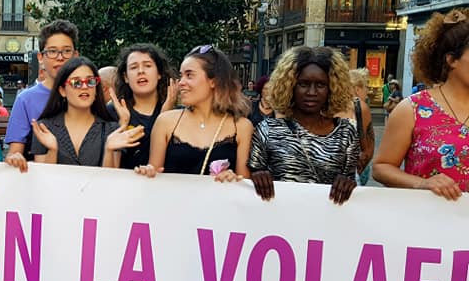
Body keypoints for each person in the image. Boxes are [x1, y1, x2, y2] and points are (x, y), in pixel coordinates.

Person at [373, 8, 469, 199]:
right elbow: (381, 167)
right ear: (452, 60)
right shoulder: (413, 109)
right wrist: (422, 183)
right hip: (427, 215)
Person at [248, 47, 360, 204]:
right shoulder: (267, 130)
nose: (312, 92)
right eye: (303, 84)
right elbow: (249, 181)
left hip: (326, 216)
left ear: (332, 88)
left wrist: (348, 184)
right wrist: (257, 177)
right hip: (278, 215)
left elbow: (350, 182)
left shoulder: (346, 133)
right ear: (290, 86)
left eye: (320, 85)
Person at [140, 45, 253, 180]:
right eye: (181, 76)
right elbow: (153, 176)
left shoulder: (242, 127)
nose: (181, 82)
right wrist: (147, 172)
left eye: (189, 75)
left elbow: (244, 183)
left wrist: (232, 179)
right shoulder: (165, 122)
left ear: (214, 81)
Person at [25, 57, 140, 167]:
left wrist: (108, 150)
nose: (85, 87)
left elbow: (111, 178)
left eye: (90, 81)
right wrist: (52, 150)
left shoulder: (110, 129)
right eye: (76, 82)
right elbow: (43, 176)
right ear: (62, 90)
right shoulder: (44, 128)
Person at [4, 20, 80, 172]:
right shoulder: (26, 99)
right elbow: (15, 151)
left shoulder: (87, 94)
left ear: (76, 55)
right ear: (40, 57)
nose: (60, 57)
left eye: (66, 51)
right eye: (52, 51)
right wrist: (15, 158)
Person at [108, 43, 176, 169]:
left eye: (147, 66)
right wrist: (122, 124)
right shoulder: (113, 111)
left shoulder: (176, 113)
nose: (141, 71)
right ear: (126, 77)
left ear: (159, 73)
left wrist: (165, 117)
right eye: (134, 67)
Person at [343, 68, 375, 185]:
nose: (367, 91)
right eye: (366, 87)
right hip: (354, 172)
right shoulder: (360, 107)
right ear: (357, 89)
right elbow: (368, 148)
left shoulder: (332, 105)